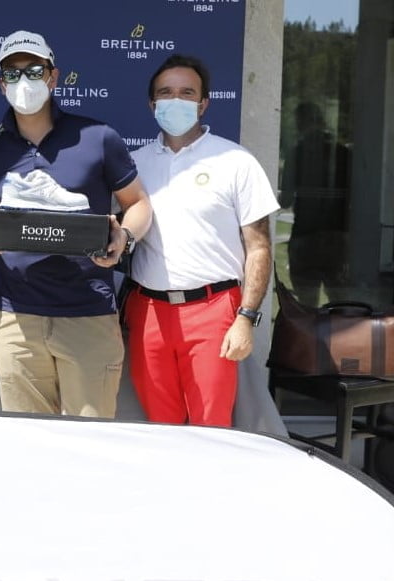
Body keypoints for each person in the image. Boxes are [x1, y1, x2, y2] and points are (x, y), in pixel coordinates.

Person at [0, 30, 152, 418]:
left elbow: (138, 203)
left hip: (88, 315)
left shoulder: (98, 137)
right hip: (17, 318)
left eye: (34, 71)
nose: (24, 81)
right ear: (1, 84)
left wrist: (126, 235)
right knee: (27, 442)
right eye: (13, 73)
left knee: (90, 440)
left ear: (53, 77)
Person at [126, 54, 279, 427]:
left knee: (212, 430)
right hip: (149, 311)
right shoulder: (133, 165)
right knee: (160, 428)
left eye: (186, 93)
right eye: (166, 93)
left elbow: (259, 247)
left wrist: (247, 318)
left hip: (214, 311)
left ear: (203, 103)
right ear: (152, 104)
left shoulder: (236, 161)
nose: (175, 100)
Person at [279, 101, 351, 305]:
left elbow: (286, 199)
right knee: (339, 302)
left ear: (300, 124)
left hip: (305, 234)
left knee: (307, 304)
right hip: (337, 236)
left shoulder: (296, 152)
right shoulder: (343, 153)